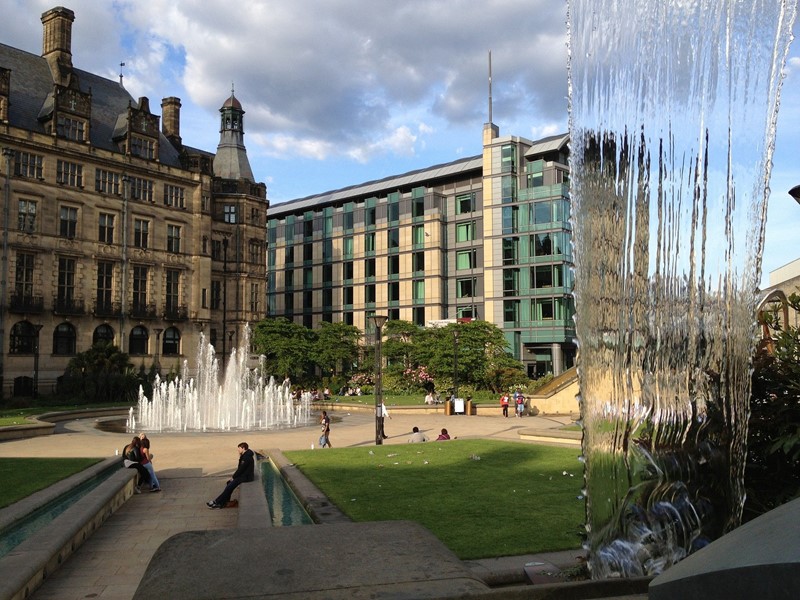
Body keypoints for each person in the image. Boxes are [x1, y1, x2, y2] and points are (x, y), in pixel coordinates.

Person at [207, 442, 255, 509]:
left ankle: (217, 502)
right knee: (229, 483)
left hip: (246, 477)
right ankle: (224, 502)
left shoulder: (246, 457)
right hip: (243, 476)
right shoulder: (245, 455)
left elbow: (241, 469)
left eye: (239, 448)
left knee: (230, 485)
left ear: (243, 448)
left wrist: (233, 477)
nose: (238, 450)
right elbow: (241, 469)